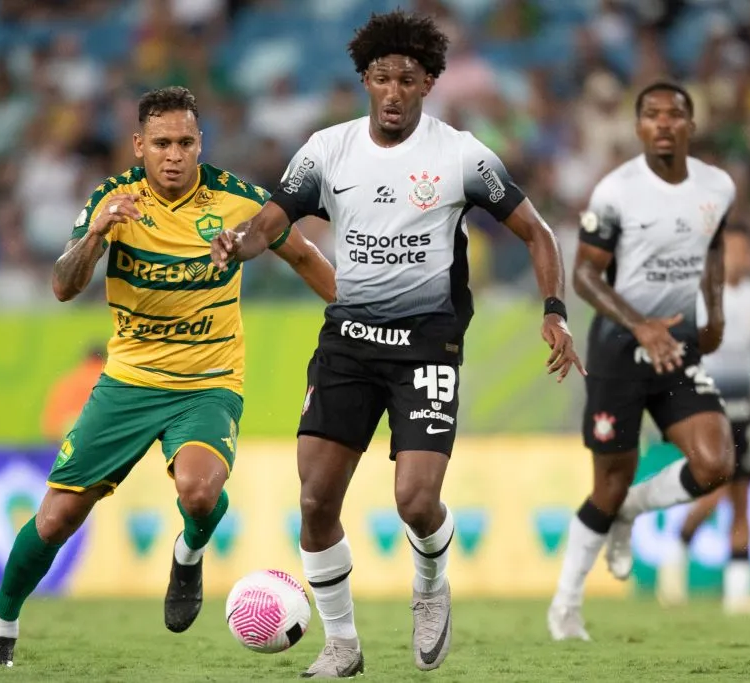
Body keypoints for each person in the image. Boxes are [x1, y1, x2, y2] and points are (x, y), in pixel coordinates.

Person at [210, 10, 584, 677]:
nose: (391, 90)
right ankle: (343, 643)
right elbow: (274, 216)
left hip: (426, 347)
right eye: (380, 77)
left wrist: (554, 309)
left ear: (429, 83)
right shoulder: (328, 150)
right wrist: (238, 242)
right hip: (348, 344)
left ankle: (431, 584)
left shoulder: (462, 155)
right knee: (316, 500)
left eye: (405, 79)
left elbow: (539, 234)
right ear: (364, 80)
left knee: (415, 499)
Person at [0, 86, 336, 667]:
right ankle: (1, 626)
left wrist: (356, 316)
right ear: (139, 145)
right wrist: (97, 233)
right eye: (162, 143)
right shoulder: (111, 200)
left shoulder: (240, 200)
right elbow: (63, 287)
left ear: (201, 143)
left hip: (208, 381)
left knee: (198, 493)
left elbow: (303, 257)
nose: (174, 154)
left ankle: (189, 556)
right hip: (128, 383)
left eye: (186, 142)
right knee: (57, 517)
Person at [548, 81, 736, 641]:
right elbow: (583, 275)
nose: (662, 123)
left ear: (690, 125)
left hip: (678, 348)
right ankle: (566, 604)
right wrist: (641, 324)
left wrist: (717, 311)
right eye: (651, 115)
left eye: (673, 115)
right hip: (618, 351)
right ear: (638, 128)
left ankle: (630, 510)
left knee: (716, 463)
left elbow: (715, 244)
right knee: (606, 485)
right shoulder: (616, 191)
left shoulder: (717, 186)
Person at [655, 223, 750, 614]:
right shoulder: (696, 299)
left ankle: (738, 593)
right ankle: (676, 549)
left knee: (743, 500)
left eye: (746, 252)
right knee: (712, 493)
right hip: (707, 409)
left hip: (746, 411)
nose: (740, 259)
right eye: (732, 252)